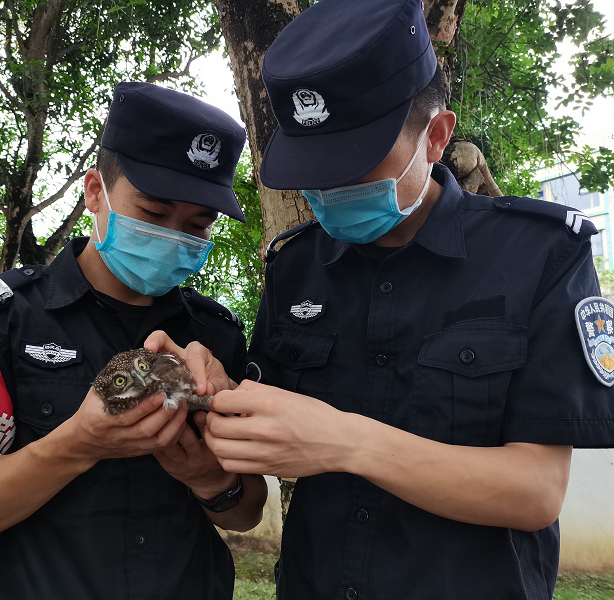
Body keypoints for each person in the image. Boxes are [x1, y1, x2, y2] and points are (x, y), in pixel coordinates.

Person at [163, 1, 614, 598]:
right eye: (315, 170)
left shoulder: (537, 255)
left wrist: (345, 440)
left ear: (436, 136)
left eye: (356, 166)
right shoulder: (295, 266)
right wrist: (217, 407)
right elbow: (267, 452)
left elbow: (533, 493)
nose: (330, 190)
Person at [0, 81, 267, 600]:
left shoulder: (214, 337)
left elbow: (246, 511)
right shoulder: (1, 319)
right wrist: (77, 444)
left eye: (197, 225)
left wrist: (211, 478)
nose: (173, 236)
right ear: (95, 190)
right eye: (154, 214)